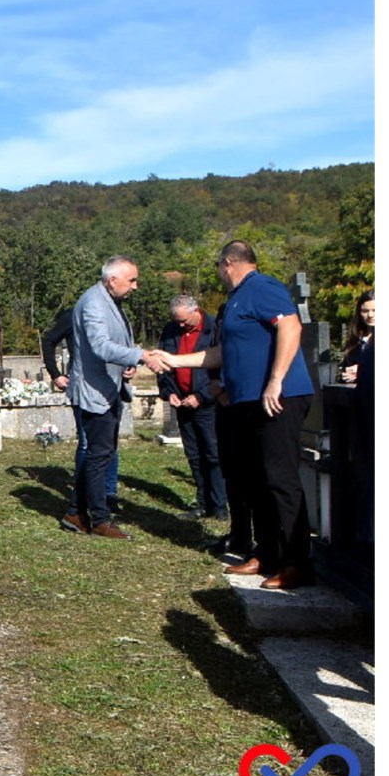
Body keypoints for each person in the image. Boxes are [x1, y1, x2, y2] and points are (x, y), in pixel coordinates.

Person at [150, 241, 318, 589]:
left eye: (217, 267)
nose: (218, 273)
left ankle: (296, 561)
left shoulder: (262, 287)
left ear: (229, 263)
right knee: (256, 480)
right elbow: (221, 354)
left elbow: (290, 326)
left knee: (279, 479)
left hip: (278, 398)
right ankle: (267, 553)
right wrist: (174, 360)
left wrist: (275, 380)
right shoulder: (237, 300)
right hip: (247, 401)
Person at [64, 256, 161, 540]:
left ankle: (75, 512)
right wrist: (140, 355)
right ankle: (99, 519)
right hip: (95, 392)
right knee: (98, 456)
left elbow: (115, 343)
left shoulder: (109, 301)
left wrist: (127, 363)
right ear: (112, 279)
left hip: (108, 388)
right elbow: (100, 346)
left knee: (100, 453)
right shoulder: (93, 302)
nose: (135, 286)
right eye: (131, 280)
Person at [41, 305, 121, 514]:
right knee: (87, 442)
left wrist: (128, 366)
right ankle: (84, 495)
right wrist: (55, 374)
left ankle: (109, 493)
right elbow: (48, 340)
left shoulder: (114, 313)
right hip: (84, 386)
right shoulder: (75, 314)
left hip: (110, 384)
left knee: (110, 442)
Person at [158, 295, 228, 520]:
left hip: (207, 403)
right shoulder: (170, 330)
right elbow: (164, 365)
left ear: (196, 311)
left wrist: (202, 396)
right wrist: (169, 392)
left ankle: (220, 506)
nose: (180, 325)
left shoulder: (214, 328)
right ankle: (203, 503)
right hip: (182, 401)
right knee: (194, 455)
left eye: (184, 321)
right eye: (176, 321)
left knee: (213, 454)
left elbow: (220, 368)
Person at [339, 290, 374, 384]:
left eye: (375, 310)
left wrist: (362, 370)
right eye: (365, 311)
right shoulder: (356, 339)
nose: (370, 315)